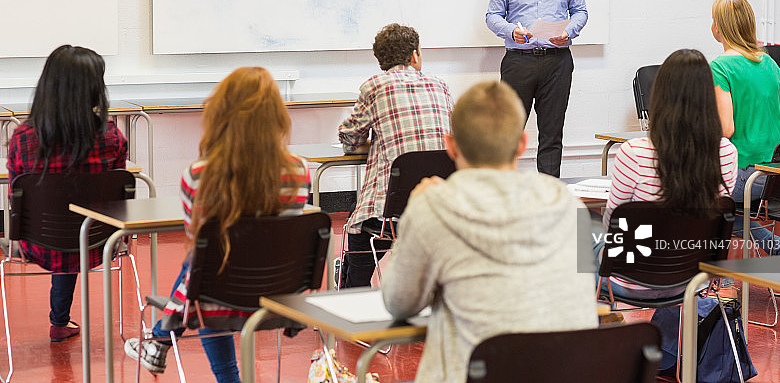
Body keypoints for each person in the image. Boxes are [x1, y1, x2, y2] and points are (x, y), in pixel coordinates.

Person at [382, 80, 597, 383]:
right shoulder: (570, 206)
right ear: (522, 144)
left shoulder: (432, 207)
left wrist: (409, 222)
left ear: (451, 146)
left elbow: (399, 302)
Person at [124, 67, 310, 382]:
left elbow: (198, 249)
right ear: (277, 116)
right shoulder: (300, 171)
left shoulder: (198, 175)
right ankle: (158, 342)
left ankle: (165, 344)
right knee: (213, 267)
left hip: (219, 300)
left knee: (208, 269)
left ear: (222, 113)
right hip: (281, 298)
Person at [6, 45, 128, 342]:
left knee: (61, 230)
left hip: (37, 243)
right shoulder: (113, 139)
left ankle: (60, 321)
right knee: (74, 227)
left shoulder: (23, 140)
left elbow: (15, 199)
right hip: (100, 241)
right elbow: (118, 201)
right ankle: (59, 322)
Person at [596, 49, 738, 299]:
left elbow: (612, 227)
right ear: (708, 96)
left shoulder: (633, 153)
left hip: (631, 278)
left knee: (580, 235)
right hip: (694, 279)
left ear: (660, 95)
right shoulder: (727, 153)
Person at [338, 23, 453, 288]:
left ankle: (351, 293)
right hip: (438, 210)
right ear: (415, 55)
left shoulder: (374, 87)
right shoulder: (441, 86)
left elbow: (350, 138)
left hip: (388, 216)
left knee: (359, 229)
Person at [486, 0, 588, 177]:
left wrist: (570, 32)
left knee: (552, 134)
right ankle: (503, 195)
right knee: (508, 133)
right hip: (519, 61)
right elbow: (492, 16)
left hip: (557, 62)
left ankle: (549, 197)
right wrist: (511, 31)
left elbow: (581, 12)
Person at [709, 0, 780, 255]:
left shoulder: (720, 67)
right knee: (723, 205)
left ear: (719, 27)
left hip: (749, 175)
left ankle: (718, 283)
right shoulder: (769, 62)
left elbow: (725, 129)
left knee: (700, 198)